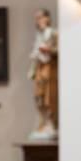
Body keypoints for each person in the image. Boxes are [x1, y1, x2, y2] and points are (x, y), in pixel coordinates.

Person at [28, 8, 58, 138]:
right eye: (36, 18)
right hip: (40, 68)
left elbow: (58, 50)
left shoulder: (53, 33)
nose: (38, 21)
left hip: (49, 69)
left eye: (40, 17)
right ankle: (43, 123)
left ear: (47, 18)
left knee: (48, 97)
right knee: (38, 97)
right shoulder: (39, 35)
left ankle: (51, 124)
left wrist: (49, 50)